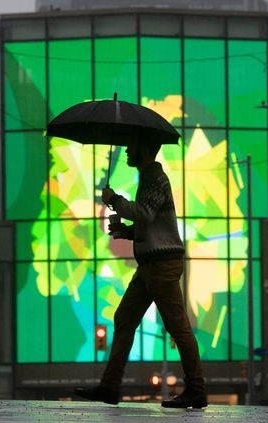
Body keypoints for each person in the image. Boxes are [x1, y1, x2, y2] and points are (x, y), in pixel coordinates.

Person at [74, 133, 207, 409]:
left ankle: (196, 389)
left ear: (144, 148)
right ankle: (110, 386)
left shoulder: (156, 178)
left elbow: (145, 213)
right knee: (124, 318)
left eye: (130, 146)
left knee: (178, 327)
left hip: (162, 266)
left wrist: (114, 201)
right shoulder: (147, 178)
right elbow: (152, 225)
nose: (125, 151)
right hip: (150, 266)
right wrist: (126, 231)